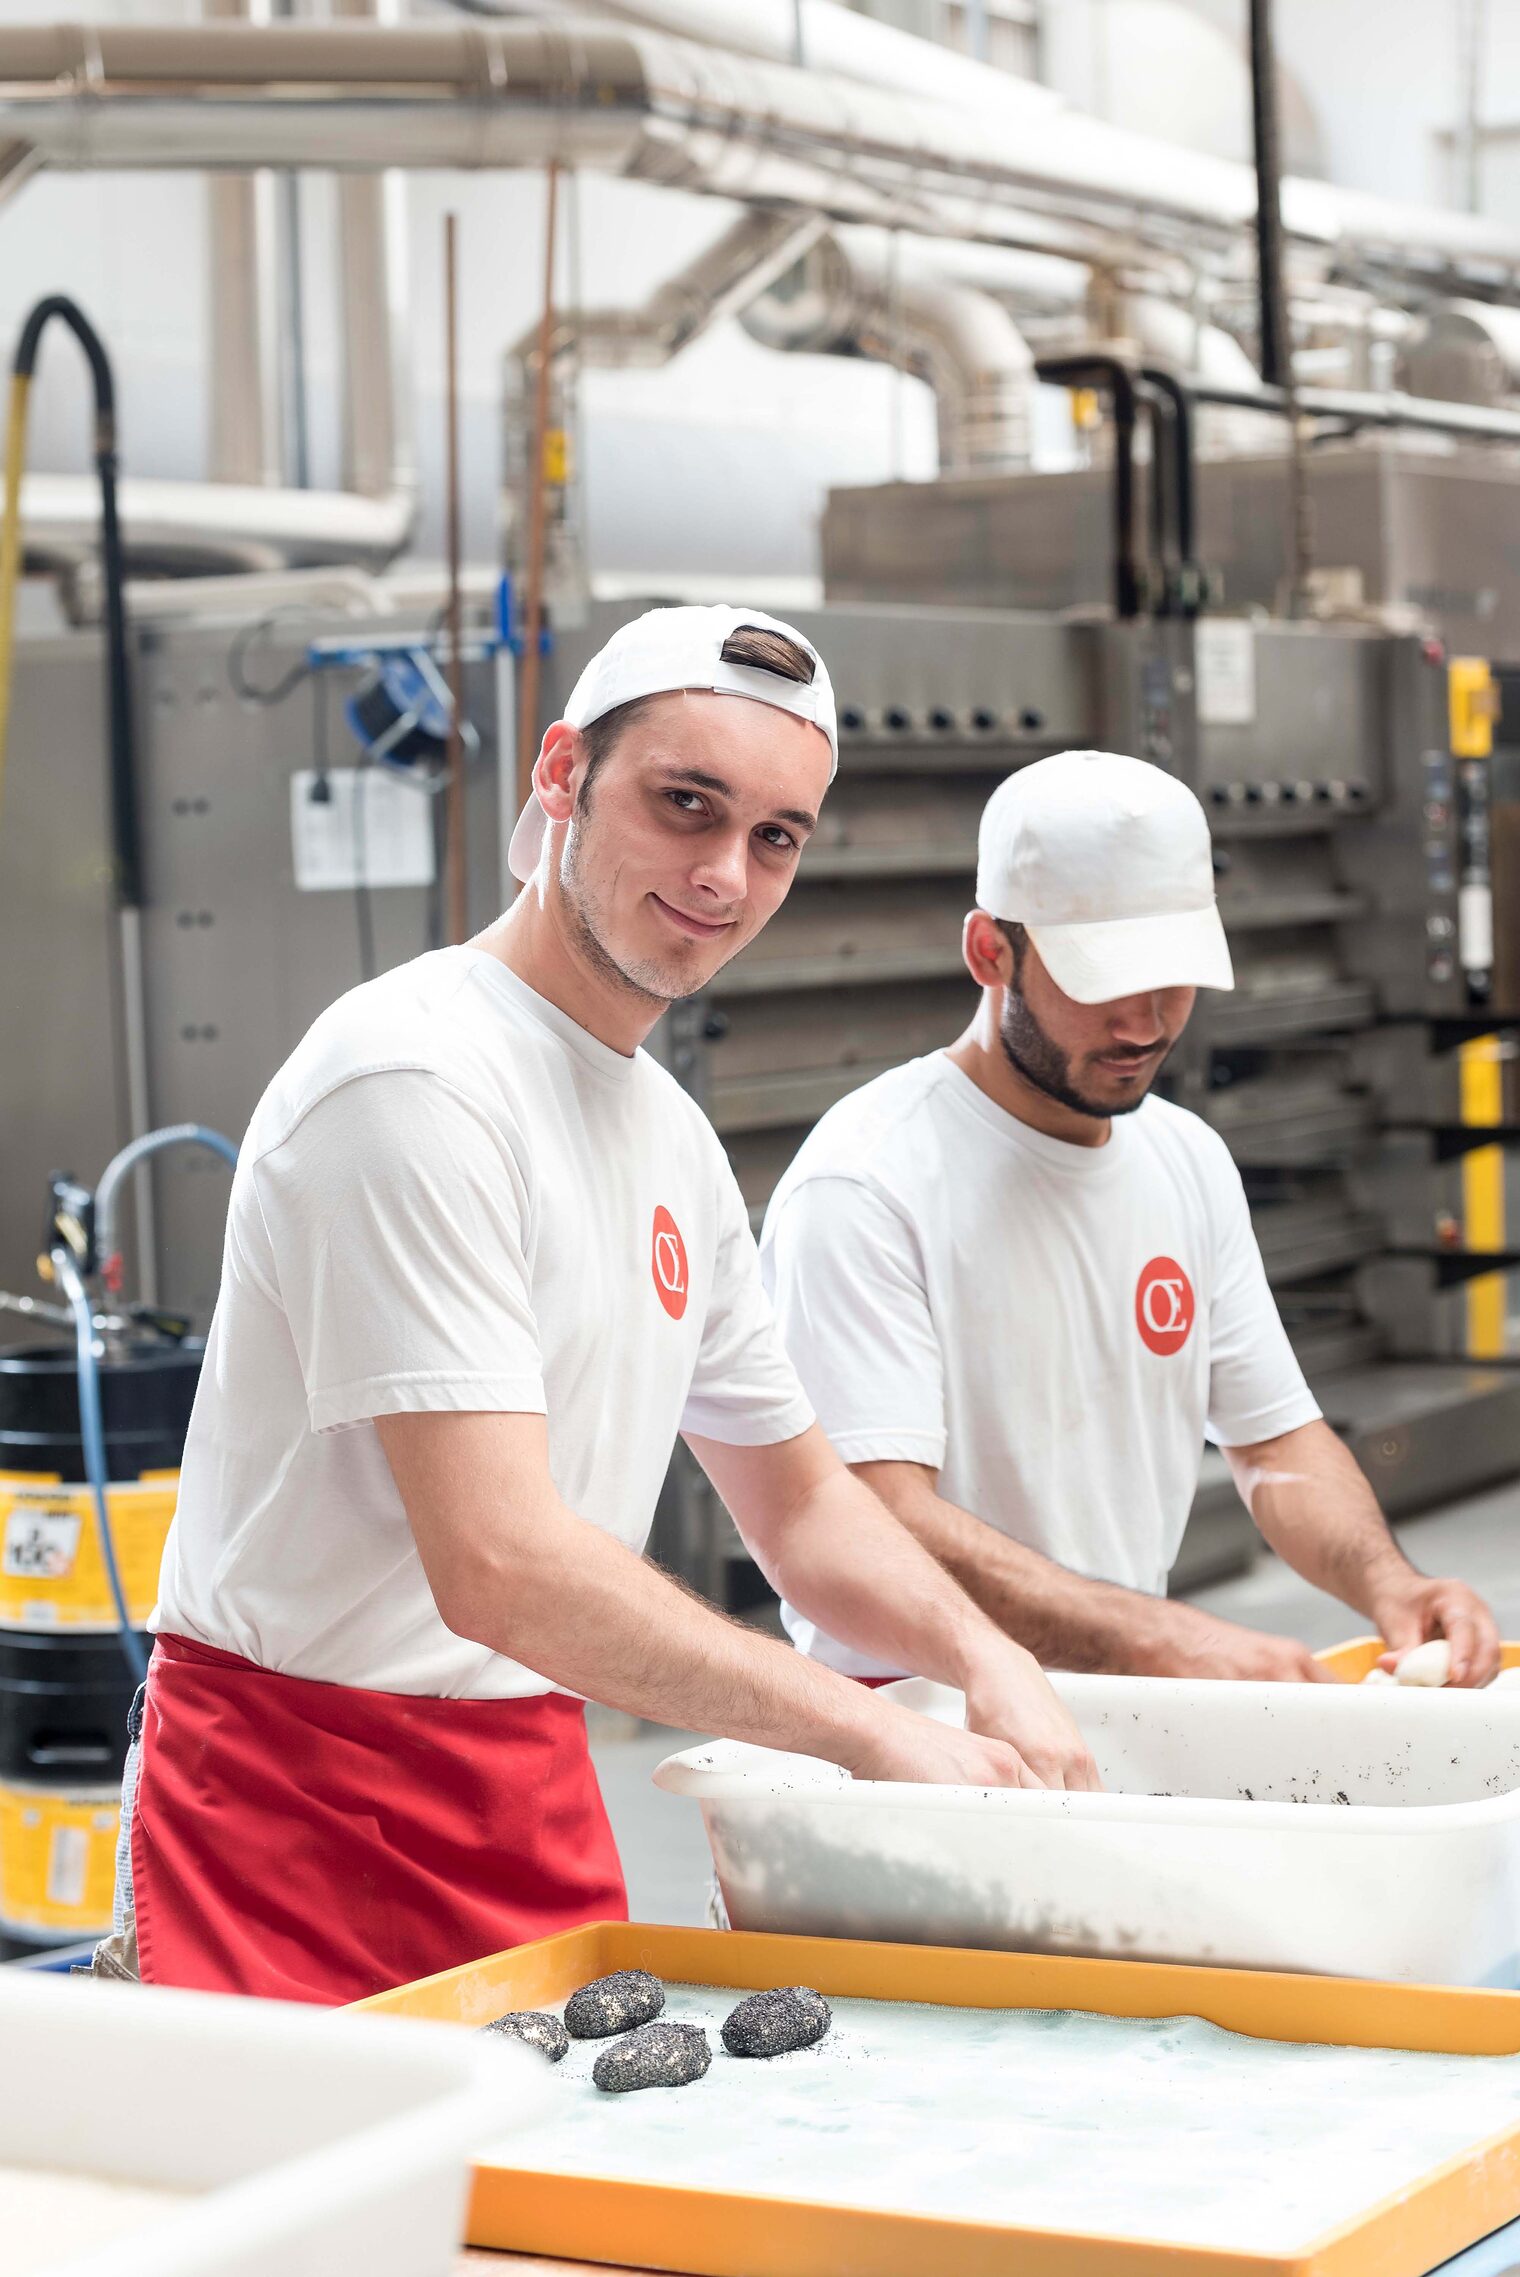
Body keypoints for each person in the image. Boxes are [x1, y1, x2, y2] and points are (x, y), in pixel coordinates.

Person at [105, 607, 1095, 2006]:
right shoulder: (413, 1081)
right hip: (294, 1817)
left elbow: (803, 1508)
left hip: (525, 1789)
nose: (724, 875)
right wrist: (859, 1732)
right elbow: (498, 1562)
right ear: (559, 773)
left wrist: (989, 1661)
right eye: (685, 804)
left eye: (775, 837)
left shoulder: (670, 1139)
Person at [761, 749, 1500, 1690]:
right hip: (920, 1715)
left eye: (1174, 977)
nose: (1146, 1023)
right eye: (1103, 980)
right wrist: (1158, 1639)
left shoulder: (1183, 1159)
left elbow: (1274, 1444)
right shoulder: (869, 1184)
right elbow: (874, 1521)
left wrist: (1390, 1582)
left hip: (1122, 1699)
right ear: (991, 951)